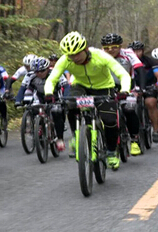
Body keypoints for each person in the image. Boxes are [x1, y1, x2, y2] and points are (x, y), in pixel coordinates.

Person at [45, 31, 132, 170]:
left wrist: (124, 90)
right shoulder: (65, 59)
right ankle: (75, 136)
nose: (74, 58)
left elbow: (122, 74)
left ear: (85, 48)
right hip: (81, 86)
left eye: (77, 53)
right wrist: (48, 93)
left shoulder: (100, 55)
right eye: (70, 55)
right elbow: (52, 78)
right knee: (70, 104)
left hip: (104, 88)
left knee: (110, 121)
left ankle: (110, 152)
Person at [101, 33, 145, 156]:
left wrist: (140, 88)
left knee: (129, 109)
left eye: (114, 47)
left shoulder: (128, 54)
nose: (110, 50)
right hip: (107, 87)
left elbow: (139, 69)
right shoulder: (100, 55)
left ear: (120, 46)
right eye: (106, 47)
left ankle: (134, 139)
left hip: (127, 86)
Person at [14, 57, 66, 151]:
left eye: (42, 71)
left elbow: (66, 86)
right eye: (36, 72)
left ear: (47, 68)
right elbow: (23, 88)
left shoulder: (56, 72)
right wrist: (18, 100)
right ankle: (38, 126)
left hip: (55, 96)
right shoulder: (30, 75)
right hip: (40, 96)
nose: (39, 74)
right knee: (33, 109)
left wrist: (66, 98)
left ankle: (60, 138)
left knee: (56, 112)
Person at [128, 40, 158, 143]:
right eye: (133, 51)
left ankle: (155, 131)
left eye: (138, 51)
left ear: (142, 51)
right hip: (132, 87)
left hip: (149, 86)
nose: (135, 53)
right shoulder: (126, 61)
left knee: (151, 103)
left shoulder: (149, 61)